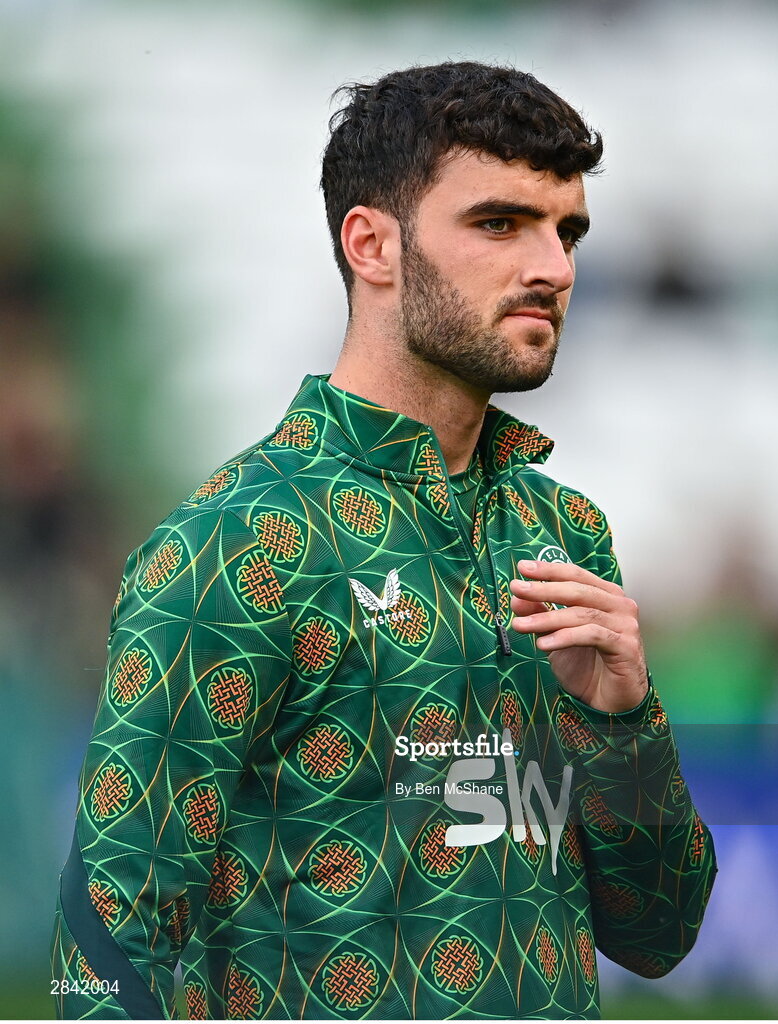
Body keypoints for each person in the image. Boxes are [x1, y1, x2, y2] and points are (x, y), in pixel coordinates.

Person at [51, 61, 716, 1020]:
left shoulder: (563, 532)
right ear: (371, 244)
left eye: (565, 230)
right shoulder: (238, 541)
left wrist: (624, 724)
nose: (554, 268)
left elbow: (660, 934)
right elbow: (106, 934)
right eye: (499, 224)